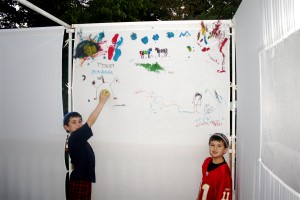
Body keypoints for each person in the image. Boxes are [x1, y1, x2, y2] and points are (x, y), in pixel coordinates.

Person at [63, 89, 110, 200]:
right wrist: (102, 102)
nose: (78, 124)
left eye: (80, 121)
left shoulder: (78, 139)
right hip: (80, 180)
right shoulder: (75, 137)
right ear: (67, 127)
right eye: (74, 122)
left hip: (82, 179)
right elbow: (91, 121)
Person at [196, 133, 232, 200]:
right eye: (212, 145)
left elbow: (224, 196)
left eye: (219, 146)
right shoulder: (206, 161)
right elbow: (203, 183)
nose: (215, 148)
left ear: (225, 150)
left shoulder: (224, 172)